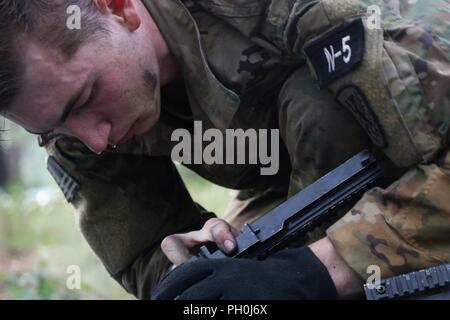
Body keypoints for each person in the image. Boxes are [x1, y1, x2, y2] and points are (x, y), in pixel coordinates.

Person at [0, 0, 449, 300]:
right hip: (295, 192)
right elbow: (148, 262)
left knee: (320, 107)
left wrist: (320, 269)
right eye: (56, 127)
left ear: (116, 8)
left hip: (426, 142)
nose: (93, 141)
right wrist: (198, 265)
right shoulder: (73, 124)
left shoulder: (286, 10)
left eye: (84, 99)